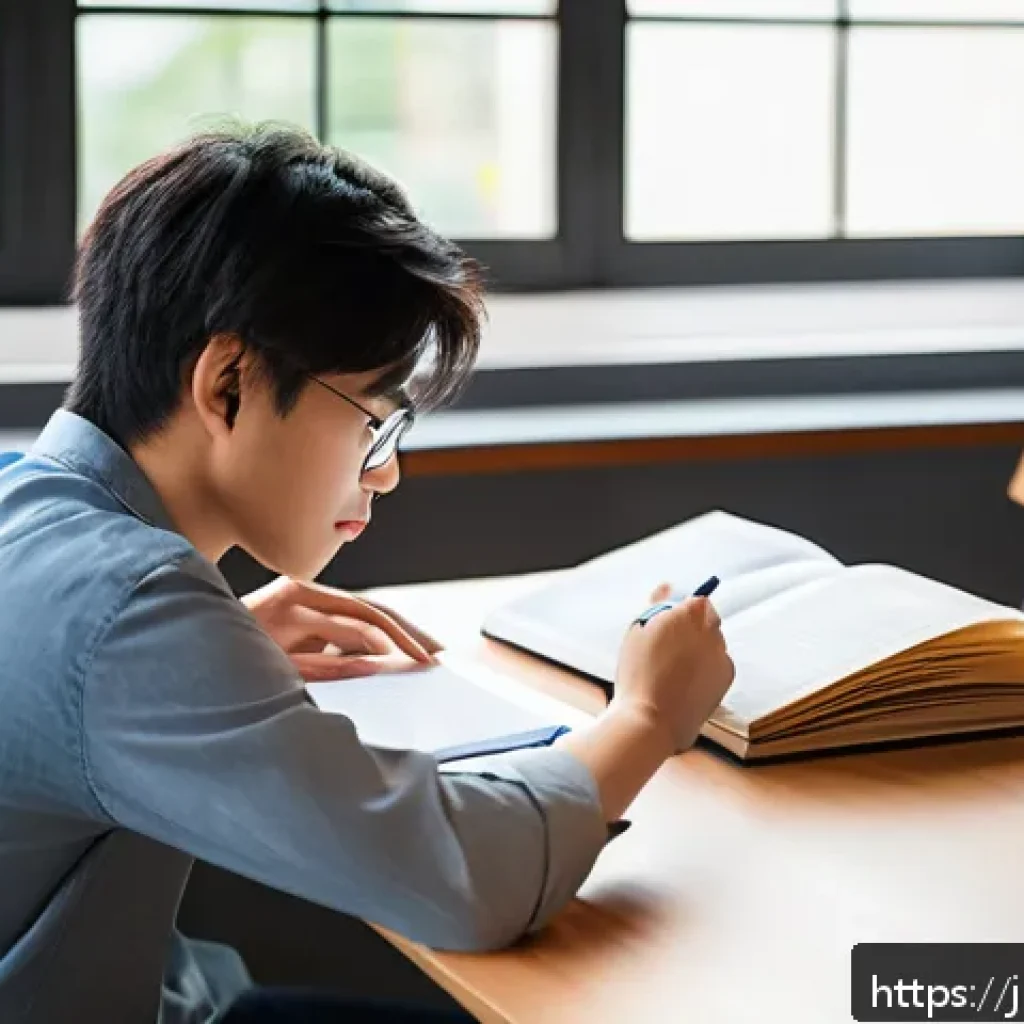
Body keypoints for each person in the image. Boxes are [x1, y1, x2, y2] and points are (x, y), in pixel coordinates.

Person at [0, 125, 735, 1024]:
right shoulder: (128, 613)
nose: (384, 470)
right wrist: (650, 715)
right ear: (227, 383)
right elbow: (462, 882)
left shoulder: (30, 506)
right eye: (373, 422)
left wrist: (214, 645)